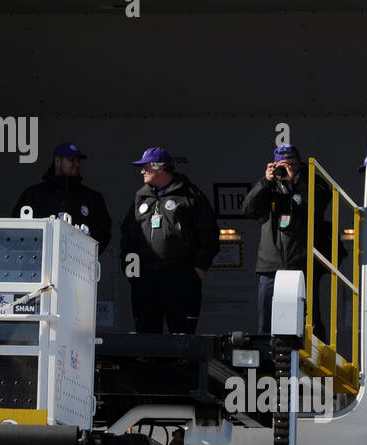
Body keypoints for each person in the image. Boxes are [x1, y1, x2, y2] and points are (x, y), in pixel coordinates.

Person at [120, 146, 219, 334]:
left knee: (181, 337)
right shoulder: (140, 198)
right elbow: (127, 236)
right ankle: (148, 365)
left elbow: (210, 233)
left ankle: (182, 364)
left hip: (180, 278)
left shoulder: (190, 196)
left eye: (146, 167)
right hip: (146, 280)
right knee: (146, 336)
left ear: (159, 167)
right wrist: (130, 270)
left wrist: (199, 268)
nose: (142, 171)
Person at [241, 143, 332, 338]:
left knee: (309, 316)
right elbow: (248, 210)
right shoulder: (268, 186)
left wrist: (296, 182)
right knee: (267, 315)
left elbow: (318, 205)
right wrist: (265, 182)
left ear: (299, 163)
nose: (286, 168)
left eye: (291, 163)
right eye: (281, 164)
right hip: (270, 262)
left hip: (302, 261)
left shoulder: (312, 182)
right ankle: (268, 358)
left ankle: (313, 354)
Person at [9, 141, 112, 249]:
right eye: (71, 160)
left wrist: (87, 252)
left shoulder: (93, 198)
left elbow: (103, 232)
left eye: (78, 161)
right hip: (40, 261)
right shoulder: (34, 194)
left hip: (79, 262)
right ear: (57, 161)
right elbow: (18, 227)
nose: (76, 164)